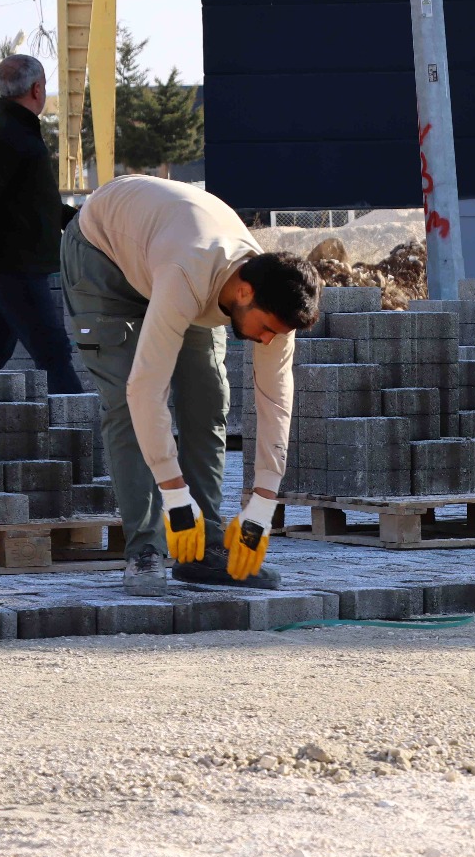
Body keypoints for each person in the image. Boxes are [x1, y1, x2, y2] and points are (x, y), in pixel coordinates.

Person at [59, 175, 321, 595]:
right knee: (129, 402)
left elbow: (275, 400)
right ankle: (144, 550)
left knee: (207, 397)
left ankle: (203, 549)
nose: (269, 340)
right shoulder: (188, 272)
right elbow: (146, 389)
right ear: (243, 291)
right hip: (103, 254)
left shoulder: (275, 298)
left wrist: (263, 502)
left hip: (166, 249)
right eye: (268, 329)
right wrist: (174, 495)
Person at [0, 54, 85, 395]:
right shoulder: (4, 133)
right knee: (53, 353)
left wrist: (82, 221)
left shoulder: (16, 129)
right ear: (37, 89)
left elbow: (33, 199)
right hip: (15, 265)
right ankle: (84, 441)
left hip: (14, 263)